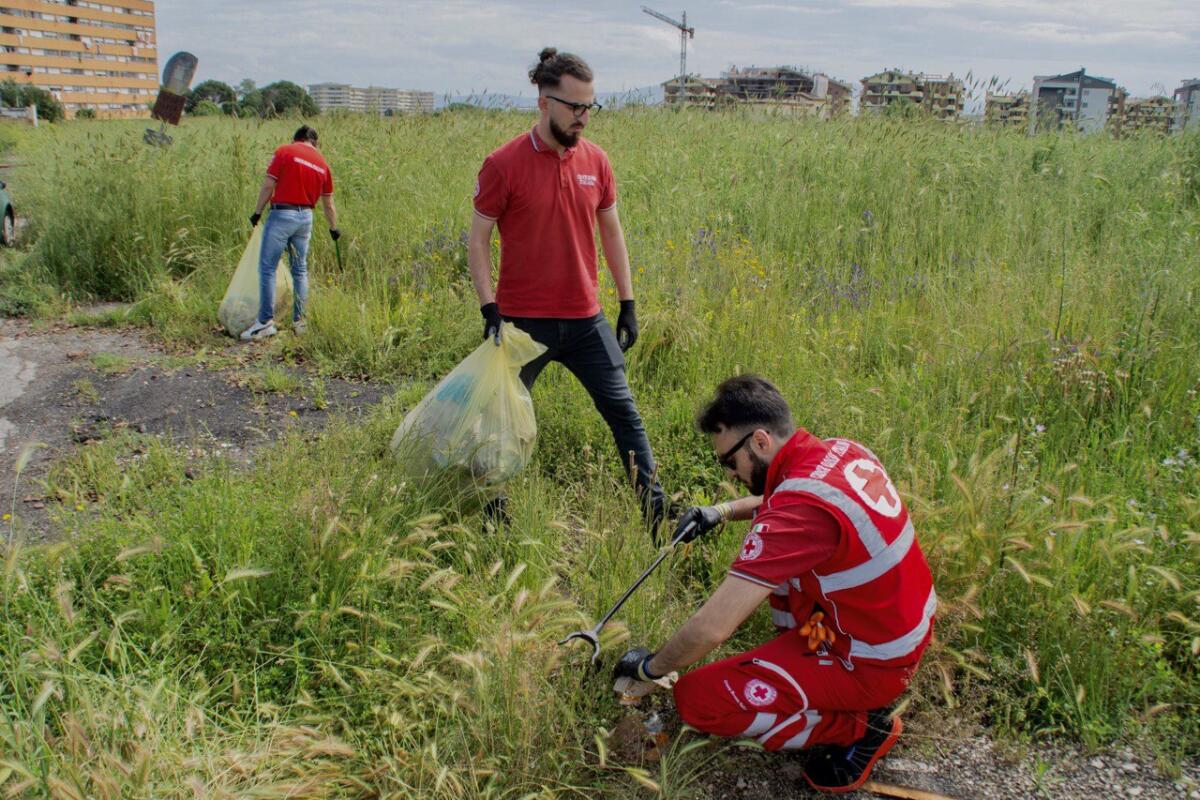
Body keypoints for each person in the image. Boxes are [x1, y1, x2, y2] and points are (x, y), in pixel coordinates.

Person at [613, 375, 935, 793]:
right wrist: (720, 511)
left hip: (870, 664)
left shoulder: (798, 511)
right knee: (769, 547)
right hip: (894, 630)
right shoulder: (840, 451)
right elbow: (786, 498)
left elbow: (712, 628)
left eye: (730, 462)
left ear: (761, 441)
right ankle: (806, 672)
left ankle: (861, 727)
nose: (731, 474)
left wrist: (651, 667)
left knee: (696, 700)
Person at [469, 48, 665, 530]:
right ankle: (494, 516)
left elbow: (611, 232)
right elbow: (478, 238)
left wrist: (627, 302)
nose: (583, 116)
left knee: (625, 414)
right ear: (544, 101)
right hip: (521, 323)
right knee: (499, 420)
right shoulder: (502, 164)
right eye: (574, 106)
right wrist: (489, 307)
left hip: (585, 320)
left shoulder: (597, 161)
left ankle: (658, 516)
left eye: (589, 106)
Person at [243, 125, 340, 340]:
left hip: (282, 215)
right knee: (300, 270)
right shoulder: (323, 164)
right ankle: (300, 322)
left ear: (297, 138)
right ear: (314, 143)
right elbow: (328, 203)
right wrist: (334, 228)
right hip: (306, 218)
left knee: (268, 268)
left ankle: (264, 323)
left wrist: (257, 212)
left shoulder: (285, 151)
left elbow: (268, 185)